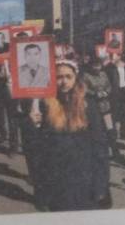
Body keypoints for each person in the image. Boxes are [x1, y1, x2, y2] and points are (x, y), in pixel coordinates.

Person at [20, 60, 110, 211]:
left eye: (68, 77)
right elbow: (35, 148)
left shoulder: (88, 104)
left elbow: (100, 146)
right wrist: (32, 124)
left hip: (85, 178)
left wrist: (101, 184)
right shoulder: (44, 105)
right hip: (57, 179)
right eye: (59, 77)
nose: (64, 82)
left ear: (76, 78)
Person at [83, 57, 124, 160]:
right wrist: (94, 94)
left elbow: (109, 86)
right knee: (96, 131)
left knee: (110, 129)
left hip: (105, 105)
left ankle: (115, 152)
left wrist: (106, 92)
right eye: (95, 65)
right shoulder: (85, 76)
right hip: (92, 106)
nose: (97, 68)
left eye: (99, 65)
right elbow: (84, 89)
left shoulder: (103, 74)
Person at [105, 53, 125, 141]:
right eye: (112, 55)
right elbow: (106, 74)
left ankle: (124, 133)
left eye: (116, 55)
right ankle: (113, 134)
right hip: (115, 91)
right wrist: (111, 63)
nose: (114, 56)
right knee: (114, 113)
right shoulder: (110, 67)